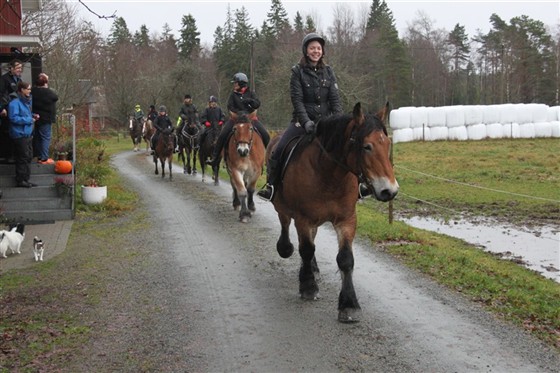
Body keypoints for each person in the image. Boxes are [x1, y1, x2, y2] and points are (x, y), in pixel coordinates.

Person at [257, 33, 343, 201]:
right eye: (312, 48)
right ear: (306, 50)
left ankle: (360, 185)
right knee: (279, 149)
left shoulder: (329, 72)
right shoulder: (297, 72)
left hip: (325, 124)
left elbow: (335, 100)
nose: (316, 51)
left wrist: (337, 122)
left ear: (322, 51)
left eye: (318, 48)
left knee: (348, 146)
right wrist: (306, 122)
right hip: (301, 123)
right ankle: (271, 186)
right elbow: (297, 101)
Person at [207, 72, 270, 166]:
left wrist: (250, 101)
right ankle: (215, 158)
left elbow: (257, 104)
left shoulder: (251, 93)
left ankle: (269, 159)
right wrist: (240, 113)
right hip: (235, 119)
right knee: (222, 135)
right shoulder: (233, 95)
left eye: (235, 83)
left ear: (241, 83)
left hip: (251, 119)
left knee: (265, 135)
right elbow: (230, 106)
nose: (234, 84)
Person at [8, 81, 38, 188]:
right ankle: (21, 180)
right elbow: (13, 118)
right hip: (19, 134)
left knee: (28, 156)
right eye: (28, 89)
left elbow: (26, 114)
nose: (30, 91)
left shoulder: (27, 102)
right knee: (22, 157)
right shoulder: (14, 103)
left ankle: (26, 179)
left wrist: (33, 116)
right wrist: (29, 120)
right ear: (22, 90)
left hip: (28, 133)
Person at [32, 73, 58, 164]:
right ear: (45, 82)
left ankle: (39, 156)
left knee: (38, 137)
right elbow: (55, 97)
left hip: (35, 117)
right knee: (46, 138)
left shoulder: (32, 91)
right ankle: (44, 158)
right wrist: (46, 87)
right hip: (46, 118)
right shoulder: (48, 92)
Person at [0, 59, 23, 162]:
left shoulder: (19, 80)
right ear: (11, 68)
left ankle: (15, 155)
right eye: (18, 68)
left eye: (21, 68)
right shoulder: (4, 79)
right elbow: (1, 94)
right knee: (6, 132)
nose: (19, 70)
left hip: (17, 109)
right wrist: (2, 108)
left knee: (15, 131)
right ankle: (6, 155)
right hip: (7, 109)